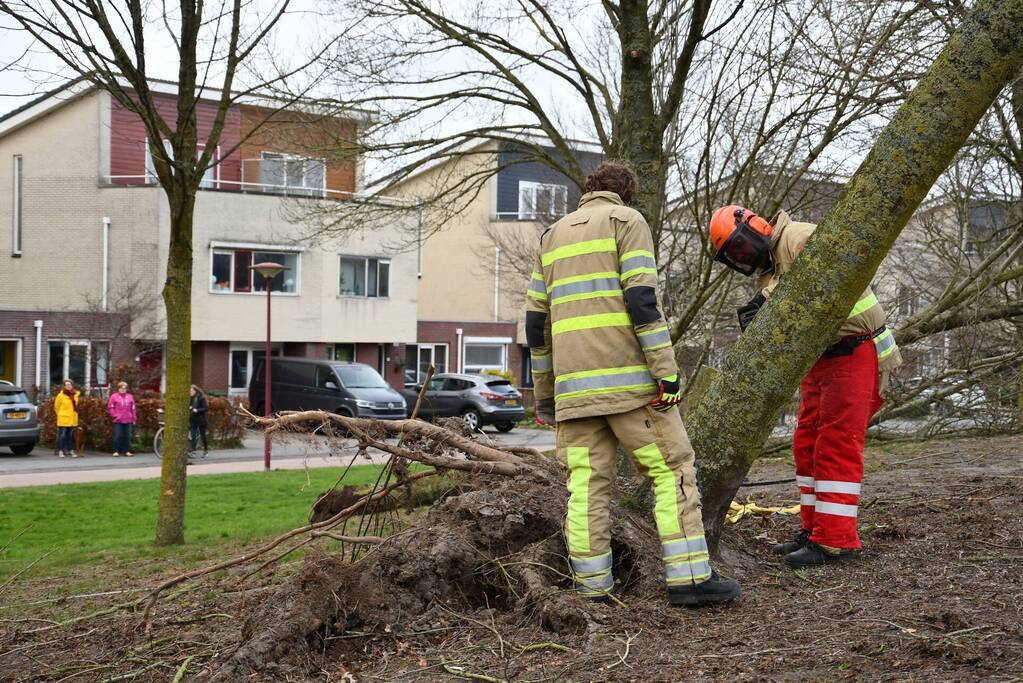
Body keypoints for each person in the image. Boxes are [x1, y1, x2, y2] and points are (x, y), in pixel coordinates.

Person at [525, 161, 740, 607]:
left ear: (589, 190)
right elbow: (642, 300)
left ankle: (591, 586)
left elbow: (534, 324)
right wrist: (666, 371)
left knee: (585, 486)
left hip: (575, 396)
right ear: (626, 193)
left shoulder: (550, 237)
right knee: (672, 471)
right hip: (632, 391)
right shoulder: (628, 221)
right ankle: (690, 579)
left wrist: (544, 394)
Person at [707, 205, 903, 567]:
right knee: (807, 441)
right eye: (733, 256)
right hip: (824, 355)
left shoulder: (800, 237)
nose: (742, 258)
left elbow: (824, 276)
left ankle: (835, 540)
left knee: (836, 442)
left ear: (755, 229)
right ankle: (815, 530)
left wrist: (769, 301)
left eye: (740, 248)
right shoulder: (771, 268)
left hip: (856, 350)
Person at [107, 381, 137, 457]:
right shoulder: (114, 396)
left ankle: (126, 451)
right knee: (117, 435)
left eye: (124, 388)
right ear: (118, 388)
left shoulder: (130, 396)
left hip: (128, 419)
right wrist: (114, 415)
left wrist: (134, 418)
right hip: (118, 420)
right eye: (121, 388)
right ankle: (116, 451)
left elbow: (133, 408)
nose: (123, 389)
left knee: (128, 436)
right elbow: (110, 407)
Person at [54, 379, 80, 458]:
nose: (69, 386)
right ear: (64, 386)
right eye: (67, 385)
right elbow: (56, 407)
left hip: (72, 418)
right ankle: (60, 451)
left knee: (70, 436)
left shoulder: (75, 395)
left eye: (70, 385)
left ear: (72, 386)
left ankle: (70, 450)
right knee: (62, 435)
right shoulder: (60, 395)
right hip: (63, 419)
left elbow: (75, 407)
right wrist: (61, 415)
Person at [189, 384, 209, 457]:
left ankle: (206, 451)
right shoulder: (191, 398)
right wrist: (190, 408)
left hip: (201, 420)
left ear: (195, 391)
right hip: (193, 419)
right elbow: (190, 406)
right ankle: (193, 452)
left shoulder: (201, 397)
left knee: (203, 435)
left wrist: (197, 410)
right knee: (193, 435)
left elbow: (206, 408)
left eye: (191, 391)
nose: (190, 392)